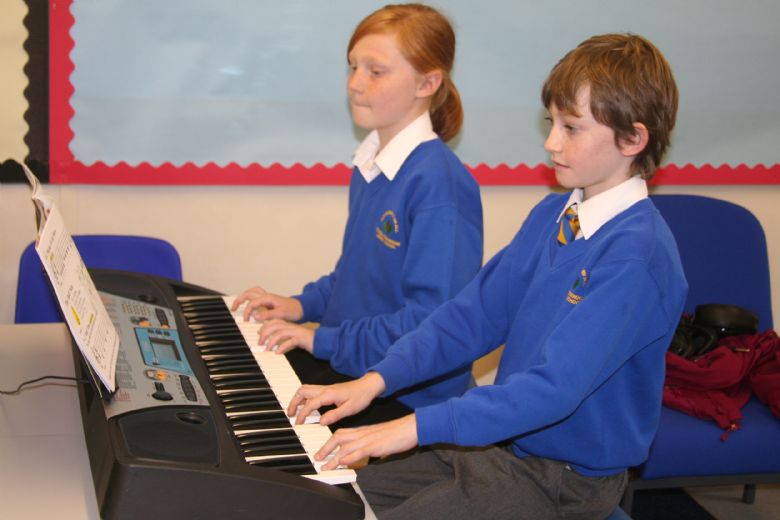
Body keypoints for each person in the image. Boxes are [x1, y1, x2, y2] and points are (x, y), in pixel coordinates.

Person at [288, 33, 688, 519]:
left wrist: (412, 428)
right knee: (334, 500)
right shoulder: (554, 215)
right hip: (502, 447)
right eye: (551, 122)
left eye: (572, 128)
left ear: (633, 138)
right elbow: (471, 317)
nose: (551, 142)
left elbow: (552, 390)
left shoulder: (636, 256)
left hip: (565, 479)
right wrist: (376, 380)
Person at [231, 3, 483, 411]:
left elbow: (431, 322)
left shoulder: (441, 185)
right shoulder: (371, 162)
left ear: (427, 83)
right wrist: (301, 306)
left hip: (406, 391)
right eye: (352, 67)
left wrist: (320, 339)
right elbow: (357, 278)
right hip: (357, 361)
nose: (355, 83)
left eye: (375, 71)